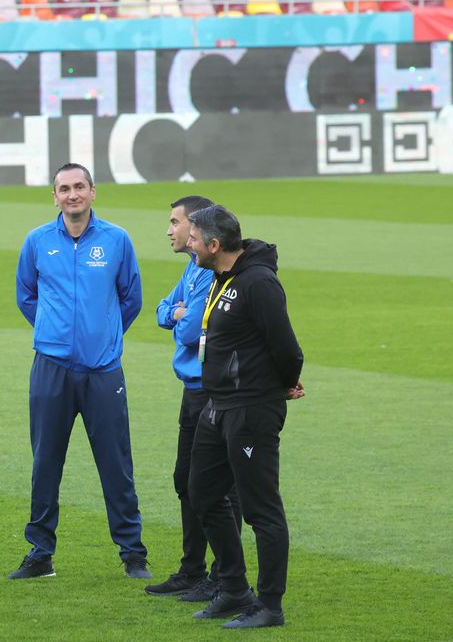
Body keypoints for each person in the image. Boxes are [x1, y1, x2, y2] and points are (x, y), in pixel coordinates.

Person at [11, 163, 150, 581]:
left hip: (103, 371)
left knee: (116, 463)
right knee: (45, 463)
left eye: (79, 187)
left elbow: (131, 298)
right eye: (63, 189)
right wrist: (56, 333)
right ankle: (40, 553)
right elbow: (26, 296)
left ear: (93, 192)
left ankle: (133, 554)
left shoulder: (116, 239)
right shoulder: (37, 241)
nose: (72, 195)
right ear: (54, 196)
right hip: (50, 368)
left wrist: (101, 335)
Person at [185, 204, 304, 629]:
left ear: (215, 245)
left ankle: (269, 605)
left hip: (251, 409)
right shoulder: (222, 277)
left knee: (261, 509)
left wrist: (285, 383)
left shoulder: (258, 284)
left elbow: (288, 349)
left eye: (194, 239)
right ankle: (234, 587)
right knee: (201, 493)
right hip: (218, 406)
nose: (189, 244)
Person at [146, 196, 244, 602]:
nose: (169, 230)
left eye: (175, 222)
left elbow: (191, 333)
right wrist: (175, 314)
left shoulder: (209, 274)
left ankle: (222, 578)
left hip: (211, 391)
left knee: (213, 486)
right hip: (192, 390)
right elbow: (161, 311)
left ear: (197, 229)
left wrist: (179, 318)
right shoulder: (192, 267)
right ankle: (194, 570)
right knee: (187, 481)